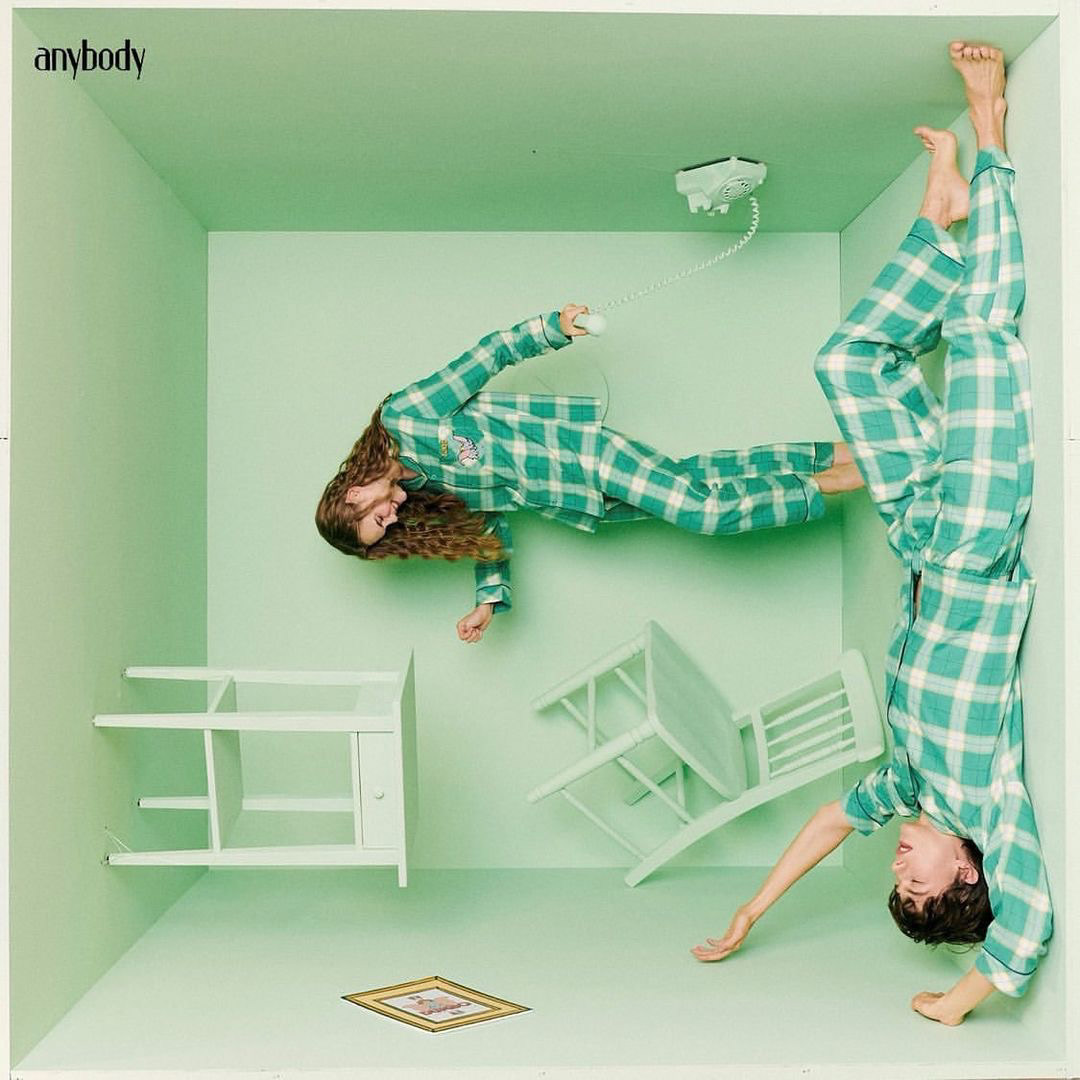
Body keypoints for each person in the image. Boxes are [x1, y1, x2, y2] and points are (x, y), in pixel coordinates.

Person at [691, 43, 1052, 1026]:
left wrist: (751, 910)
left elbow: (824, 825)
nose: (899, 867)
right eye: (916, 882)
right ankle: (992, 136)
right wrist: (959, 1002)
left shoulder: (910, 782)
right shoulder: (989, 803)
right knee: (979, 333)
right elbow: (1029, 926)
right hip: (974, 539)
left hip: (918, 536)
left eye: (898, 882)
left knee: (849, 361)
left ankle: (941, 225)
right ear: (966, 872)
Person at [316, 311, 862, 643]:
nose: (391, 521)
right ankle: (840, 454)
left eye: (376, 520)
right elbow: (488, 528)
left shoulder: (407, 417)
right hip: (582, 502)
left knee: (703, 511)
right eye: (385, 531)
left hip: (586, 454)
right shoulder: (421, 490)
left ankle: (845, 480)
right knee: (703, 477)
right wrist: (488, 601)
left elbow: (487, 355)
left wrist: (550, 329)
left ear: (355, 492)